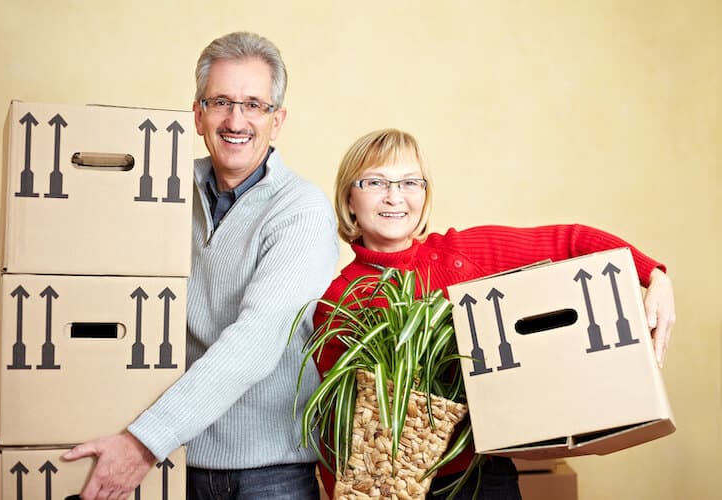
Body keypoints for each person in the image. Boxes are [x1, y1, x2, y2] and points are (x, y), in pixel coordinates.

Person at [312, 128, 675, 499]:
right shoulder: (339, 300)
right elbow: (338, 427)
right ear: (349, 199)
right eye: (375, 182)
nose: (395, 197)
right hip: (397, 487)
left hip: (480, 476)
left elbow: (570, 239)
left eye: (409, 182)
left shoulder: (459, 254)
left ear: (424, 194)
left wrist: (655, 275)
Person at [63, 32, 339, 500]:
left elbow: (257, 340)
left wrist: (142, 443)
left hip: (268, 474)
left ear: (278, 120)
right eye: (221, 102)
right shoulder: (159, 190)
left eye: (254, 104)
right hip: (177, 461)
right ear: (197, 114)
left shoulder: (301, 211)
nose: (236, 120)